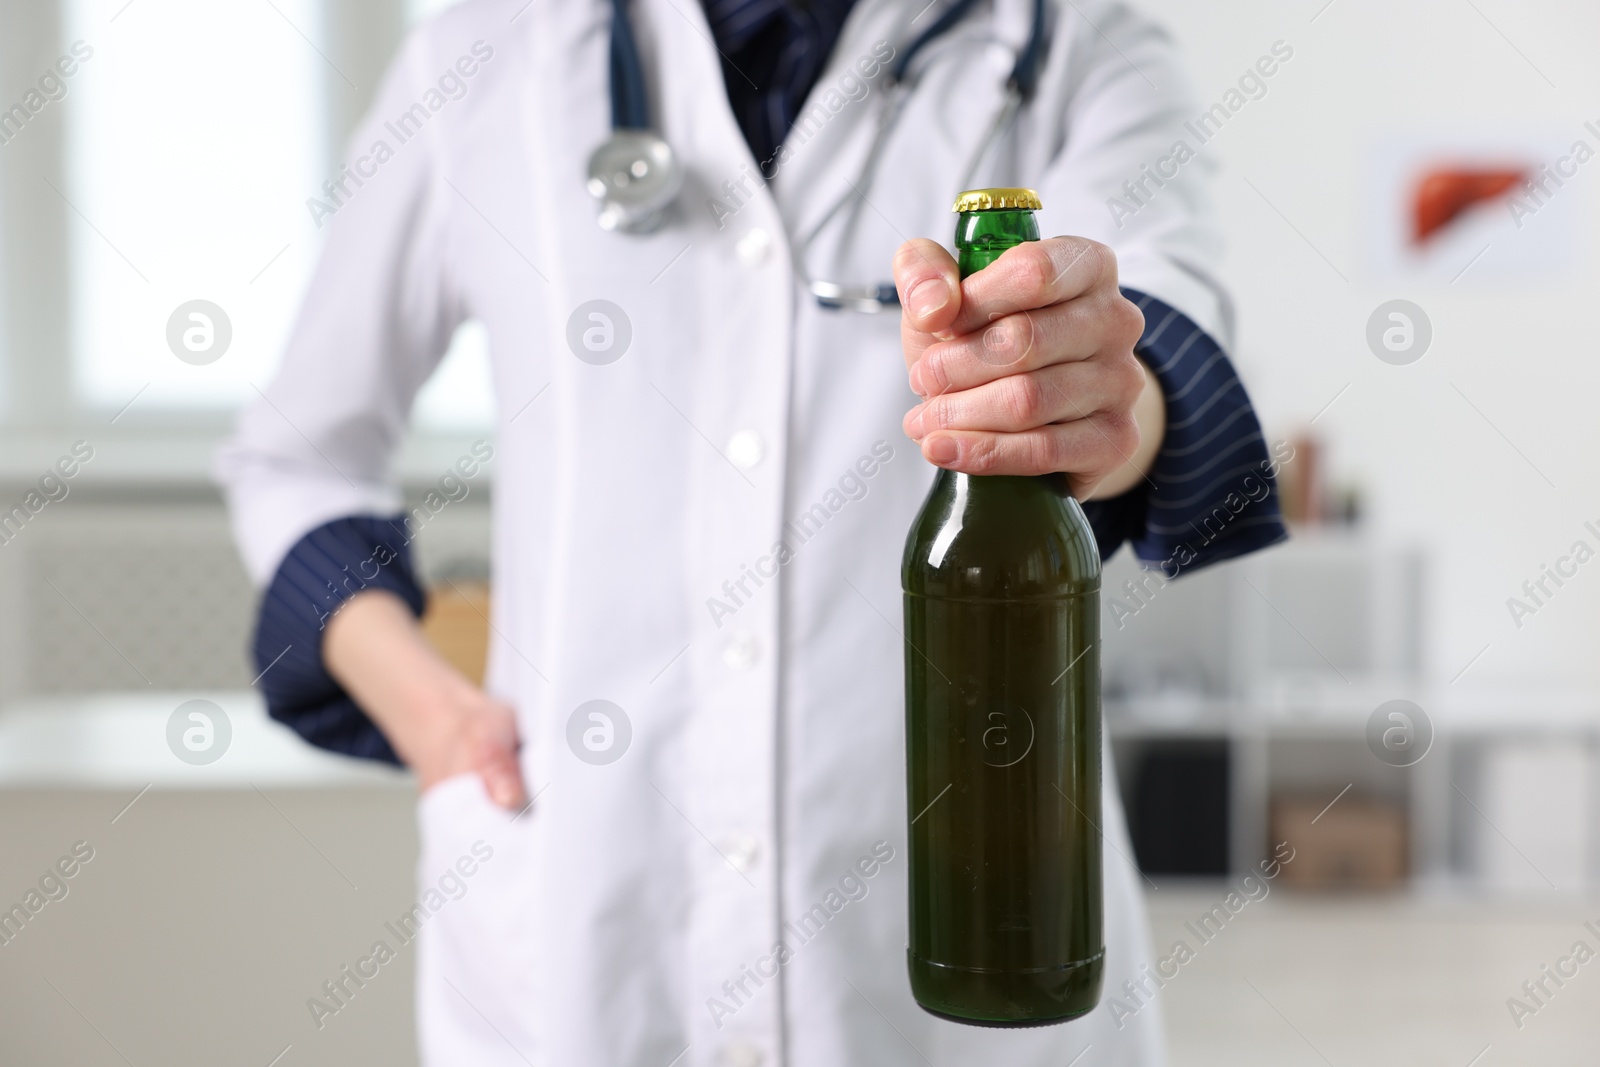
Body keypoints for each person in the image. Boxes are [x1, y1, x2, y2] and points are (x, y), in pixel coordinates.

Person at [218, 1, 1286, 1063]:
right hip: (582, 923)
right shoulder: (486, 52)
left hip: (947, 962)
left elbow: (1156, 332)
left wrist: (1095, 401)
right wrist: (431, 715)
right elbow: (297, 457)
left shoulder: (1073, 41)